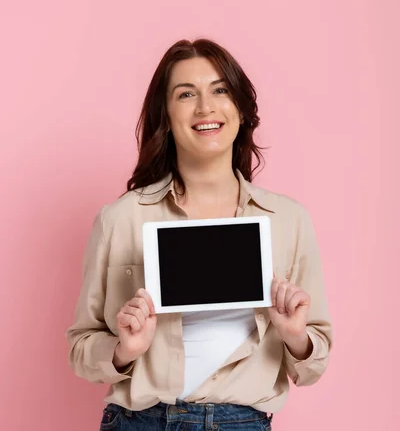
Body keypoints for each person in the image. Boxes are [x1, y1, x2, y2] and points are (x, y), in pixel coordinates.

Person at [66, 38, 333, 431]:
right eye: (186, 94)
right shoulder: (120, 219)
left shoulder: (289, 219)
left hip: (242, 421)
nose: (206, 107)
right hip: (139, 421)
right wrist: (124, 349)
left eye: (220, 90)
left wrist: (295, 335)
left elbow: (314, 362)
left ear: (240, 109)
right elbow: (80, 349)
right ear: (166, 116)